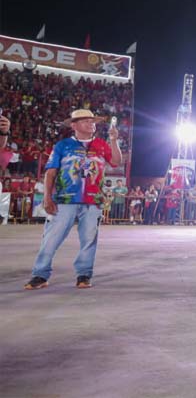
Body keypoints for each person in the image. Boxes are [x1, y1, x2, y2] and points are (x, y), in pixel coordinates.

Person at [24, 109, 122, 290]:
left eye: (93, 121)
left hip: (93, 200)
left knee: (89, 239)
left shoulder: (101, 144)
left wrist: (114, 140)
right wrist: (47, 197)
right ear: (74, 125)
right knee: (51, 238)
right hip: (65, 199)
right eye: (86, 121)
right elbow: (51, 172)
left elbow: (116, 161)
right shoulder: (63, 145)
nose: (91, 124)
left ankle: (84, 274)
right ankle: (40, 274)